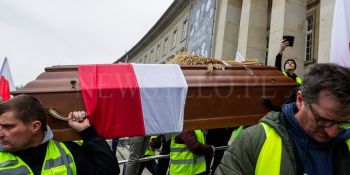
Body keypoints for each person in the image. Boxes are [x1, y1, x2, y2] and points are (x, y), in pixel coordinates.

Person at [215, 63, 350, 175]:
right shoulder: (254, 141)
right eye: (322, 120)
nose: (332, 133)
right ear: (300, 100)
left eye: (342, 123)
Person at [0, 94, 120, 175]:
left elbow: (108, 171)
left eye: (7, 126)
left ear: (35, 127)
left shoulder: (67, 152)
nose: (0, 134)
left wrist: (87, 133)